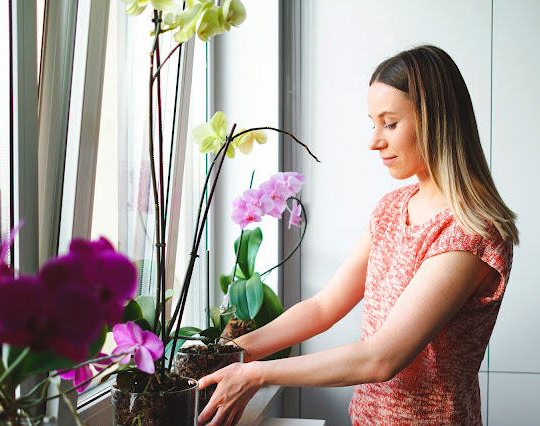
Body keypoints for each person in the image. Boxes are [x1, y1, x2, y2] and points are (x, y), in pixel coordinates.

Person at [197, 45, 518, 426]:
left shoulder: (470, 231)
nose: (374, 141)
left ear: (436, 120)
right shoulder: (390, 209)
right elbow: (324, 307)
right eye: (373, 123)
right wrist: (229, 351)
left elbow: (381, 358)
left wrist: (255, 374)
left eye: (390, 123)